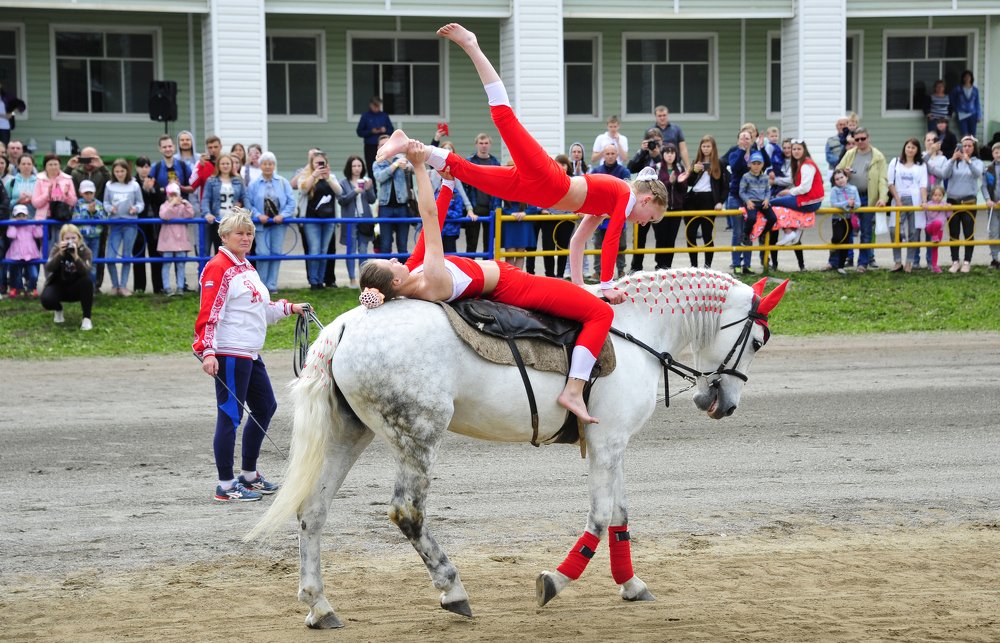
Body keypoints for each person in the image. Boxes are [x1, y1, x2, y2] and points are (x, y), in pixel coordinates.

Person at [377, 24, 666, 303]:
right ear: (646, 198)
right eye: (650, 216)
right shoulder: (625, 197)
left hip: (535, 193)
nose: (644, 223)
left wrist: (578, 284)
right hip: (550, 181)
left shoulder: (609, 204)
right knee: (504, 118)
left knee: (467, 172)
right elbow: (611, 241)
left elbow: (578, 241)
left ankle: (409, 144)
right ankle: (472, 45)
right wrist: (606, 285)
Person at [360, 138, 614, 425]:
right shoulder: (429, 280)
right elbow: (428, 217)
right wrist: (419, 167)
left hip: (507, 279)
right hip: (513, 285)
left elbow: (435, 221)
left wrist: (448, 186)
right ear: (394, 281)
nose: (395, 259)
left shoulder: (413, 272)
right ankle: (574, 389)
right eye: (390, 263)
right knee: (601, 313)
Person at [192, 209, 308, 502]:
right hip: (230, 351)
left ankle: (249, 474)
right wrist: (207, 350)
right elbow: (210, 312)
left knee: (265, 406)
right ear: (224, 236)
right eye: (239, 233)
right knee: (230, 415)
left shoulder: (246, 267)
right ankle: (226, 484)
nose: (246, 238)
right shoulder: (218, 267)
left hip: (249, 352)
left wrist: (289, 308)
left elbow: (262, 308)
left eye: (249, 233)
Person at [836, 127, 888, 273]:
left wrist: (883, 197)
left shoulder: (878, 156)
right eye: (857, 139)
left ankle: (863, 263)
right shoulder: (849, 154)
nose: (860, 142)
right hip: (849, 196)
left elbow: (883, 179)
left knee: (866, 231)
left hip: (867, 197)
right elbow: (837, 172)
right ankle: (844, 260)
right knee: (846, 229)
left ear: (868, 138)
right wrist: (844, 173)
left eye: (862, 139)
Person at [245, 151, 295, 294]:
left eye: (271, 164)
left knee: (276, 253)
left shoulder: (283, 182)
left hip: (278, 224)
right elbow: (249, 203)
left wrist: (283, 215)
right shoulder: (254, 184)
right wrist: (258, 214)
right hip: (261, 225)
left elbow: (291, 202)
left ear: (274, 165)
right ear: (260, 165)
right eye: (265, 164)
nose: (268, 166)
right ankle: (261, 286)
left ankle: (272, 285)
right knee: (262, 253)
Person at [726, 126, 770, 274]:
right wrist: (742, 151)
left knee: (749, 231)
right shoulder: (734, 154)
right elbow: (736, 167)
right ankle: (736, 263)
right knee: (737, 232)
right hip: (736, 198)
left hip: (752, 200)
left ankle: (748, 265)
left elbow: (767, 163)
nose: (745, 140)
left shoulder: (756, 154)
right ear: (738, 140)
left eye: (748, 138)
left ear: (752, 140)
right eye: (742, 138)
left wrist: (761, 148)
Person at [297, 151, 344, 290]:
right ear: (311, 164)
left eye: (322, 163)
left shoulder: (331, 177)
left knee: (324, 251)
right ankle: (314, 281)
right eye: (317, 163)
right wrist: (314, 175)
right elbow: (303, 190)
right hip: (311, 220)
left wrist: (328, 177)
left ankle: (321, 280)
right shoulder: (305, 176)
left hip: (329, 220)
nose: (320, 165)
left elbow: (339, 192)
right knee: (314, 250)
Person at [770, 140, 825, 253]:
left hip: (809, 200)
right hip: (809, 199)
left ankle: (789, 232)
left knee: (772, 203)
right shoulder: (802, 163)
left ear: (804, 150)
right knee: (781, 202)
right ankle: (796, 229)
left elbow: (805, 188)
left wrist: (789, 192)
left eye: (799, 149)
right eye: (794, 149)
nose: (796, 151)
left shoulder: (807, 165)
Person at [939, 135, 984, 273]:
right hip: (952, 201)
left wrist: (968, 161)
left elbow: (977, 174)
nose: (967, 148)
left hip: (969, 201)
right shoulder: (953, 161)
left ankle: (967, 261)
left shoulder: (977, 162)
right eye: (964, 146)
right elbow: (944, 174)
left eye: (970, 146)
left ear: (973, 148)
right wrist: (953, 159)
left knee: (968, 232)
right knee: (954, 233)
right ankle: (955, 261)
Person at [683, 135, 728, 269]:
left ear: (713, 148)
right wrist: (694, 172)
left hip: (709, 200)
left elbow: (725, 186)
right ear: (700, 148)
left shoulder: (719, 163)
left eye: (708, 146)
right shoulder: (696, 162)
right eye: (704, 146)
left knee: (707, 234)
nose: (706, 149)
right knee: (690, 234)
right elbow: (688, 183)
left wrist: (720, 201)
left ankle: (707, 267)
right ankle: (694, 266)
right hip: (693, 200)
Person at [588, 144, 631, 279]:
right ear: (603, 155)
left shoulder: (624, 172)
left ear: (617, 155)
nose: (610, 156)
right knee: (599, 245)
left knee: (620, 245)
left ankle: (621, 270)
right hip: (600, 216)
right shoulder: (596, 171)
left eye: (613, 153)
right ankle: (598, 271)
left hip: (618, 215)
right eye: (607, 154)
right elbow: (591, 192)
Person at [41, 223, 94, 331]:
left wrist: (76, 256)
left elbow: (86, 271)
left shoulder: (85, 251)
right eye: (67, 238)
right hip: (60, 285)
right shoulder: (57, 249)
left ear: (79, 238)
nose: (71, 241)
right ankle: (58, 309)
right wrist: (60, 254)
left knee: (87, 282)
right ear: (62, 239)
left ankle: (87, 318)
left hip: (77, 286)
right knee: (46, 299)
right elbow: (48, 267)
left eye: (73, 238)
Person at [103, 159, 144, 295]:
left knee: (127, 256)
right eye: (117, 171)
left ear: (127, 171)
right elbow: (105, 203)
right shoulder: (109, 185)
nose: (119, 174)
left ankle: (123, 286)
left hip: (130, 223)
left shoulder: (134, 185)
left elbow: (140, 203)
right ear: (113, 172)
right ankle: (115, 285)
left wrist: (135, 209)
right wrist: (110, 209)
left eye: (122, 171)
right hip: (115, 223)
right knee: (110, 258)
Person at [887, 138, 928, 273]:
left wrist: (923, 200)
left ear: (917, 150)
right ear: (905, 148)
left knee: (913, 231)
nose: (910, 150)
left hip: (914, 199)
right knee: (894, 229)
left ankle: (909, 262)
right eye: (908, 147)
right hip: (899, 198)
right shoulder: (895, 162)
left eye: (913, 148)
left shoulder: (921, 165)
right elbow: (890, 182)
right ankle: (897, 261)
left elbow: (923, 185)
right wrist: (897, 199)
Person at [372, 134, 415, 256]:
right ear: (378, 147)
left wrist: (406, 166)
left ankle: (404, 274)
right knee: (385, 245)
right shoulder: (377, 163)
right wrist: (395, 166)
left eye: (387, 144)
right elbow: (380, 177)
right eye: (381, 145)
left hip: (402, 205)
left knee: (402, 245)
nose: (384, 146)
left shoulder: (401, 158)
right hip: (385, 207)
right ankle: (385, 275)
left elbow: (414, 169)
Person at [338, 155, 377, 288]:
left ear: (362, 167)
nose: (356, 168)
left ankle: (363, 279)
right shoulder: (343, 182)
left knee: (363, 250)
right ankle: (352, 279)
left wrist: (369, 188)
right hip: (350, 221)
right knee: (351, 251)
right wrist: (355, 192)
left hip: (364, 220)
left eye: (359, 165)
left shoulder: (367, 180)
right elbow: (342, 200)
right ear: (349, 167)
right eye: (354, 166)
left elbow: (372, 200)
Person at [461, 133, 502, 255]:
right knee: (471, 243)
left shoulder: (495, 162)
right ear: (476, 144)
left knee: (489, 244)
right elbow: (463, 188)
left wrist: (497, 208)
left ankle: (488, 271)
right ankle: (469, 271)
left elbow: (500, 188)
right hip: (473, 208)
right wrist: (467, 208)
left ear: (490, 145)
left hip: (491, 208)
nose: (483, 146)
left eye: (486, 143)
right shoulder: (470, 162)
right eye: (481, 143)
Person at [650, 142, 686, 269]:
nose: (670, 156)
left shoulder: (680, 168)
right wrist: (669, 182)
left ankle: (668, 266)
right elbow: (655, 188)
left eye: (672, 153)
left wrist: (679, 182)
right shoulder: (657, 167)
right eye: (667, 153)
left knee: (671, 239)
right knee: (661, 238)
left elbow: (684, 189)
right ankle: (659, 265)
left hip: (676, 208)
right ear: (663, 154)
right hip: (661, 209)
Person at [200, 153, 245, 254]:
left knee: (233, 251)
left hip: (234, 221)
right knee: (220, 250)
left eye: (228, 163)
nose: (225, 166)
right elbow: (206, 199)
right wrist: (207, 213)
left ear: (231, 165)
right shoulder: (211, 180)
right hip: (218, 221)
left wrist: (247, 213)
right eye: (223, 163)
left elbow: (245, 197)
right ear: (218, 165)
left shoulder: (238, 180)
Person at [31, 153, 78, 247]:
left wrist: (66, 194)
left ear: (60, 165)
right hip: (44, 220)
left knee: (63, 247)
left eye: (55, 164)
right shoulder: (39, 179)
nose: (53, 167)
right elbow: (35, 203)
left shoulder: (67, 179)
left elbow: (73, 202)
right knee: (46, 250)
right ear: (45, 167)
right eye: (50, 164)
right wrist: (47, 195)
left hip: (62, 218)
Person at [740, 152, 777, 267]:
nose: (756, 166)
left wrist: (767, 199)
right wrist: (747, 201)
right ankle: (745, 235)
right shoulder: (746, 177)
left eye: (758, 163)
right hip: (751, 202)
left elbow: (768, 191)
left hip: (762, 202)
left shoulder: (765, 177)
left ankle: (763, 234)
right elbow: (741, 191)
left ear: (762, 165)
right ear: (749, 164)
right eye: (754, 163)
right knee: (751, 218)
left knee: (772, 218)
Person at [133, 157, 164, 293]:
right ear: (136, 168)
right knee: (138, 254)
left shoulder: (154, 181)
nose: (144, 169)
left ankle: (158, 287)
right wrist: (144, 190)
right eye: (141, 166)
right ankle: (139, 287)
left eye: (146, 166)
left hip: (154, 224)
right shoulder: (133, 182)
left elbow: (160, 200)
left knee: (156, 255)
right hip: (139, 223)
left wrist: (151, 190)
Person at [158, 182, 195, 295]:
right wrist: (171, 204)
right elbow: (164, 215)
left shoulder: (182, 207)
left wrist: (185, 203)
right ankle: (167, 287)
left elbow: (190, 214)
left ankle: (180, 287)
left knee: (181, 264)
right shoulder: (164, 206)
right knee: (166, 264)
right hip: (168, 241)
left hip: (180, 241)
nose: (173, 198)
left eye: (175, 195)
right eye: (171, 195)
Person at [72, 179, 107, 287]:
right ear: (80, 193)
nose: (88, 195)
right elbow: (75, 219)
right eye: (86, 193)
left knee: (93, 261)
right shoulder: (78, 204)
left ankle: (91, 287)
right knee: (81, 261)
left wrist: (95, 212)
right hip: (82, 238)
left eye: (90, 193)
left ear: (94, 193)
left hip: (95, 237)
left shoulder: (99, 204)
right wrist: (87, 212)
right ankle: (80, 286)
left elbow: (104, 219)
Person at [825, 169, 860, 274]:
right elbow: (834, 203)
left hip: (849, 218)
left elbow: (858, 203)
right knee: (837, 238)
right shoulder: (834, 190)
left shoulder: (853, 189)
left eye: (842, 177)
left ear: (846, 177)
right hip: (838, 219)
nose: (840, 180)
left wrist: (853, 205)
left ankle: (840, 266)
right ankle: (833, 253)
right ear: (834, 181)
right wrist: (847, 203)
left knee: (846, 241)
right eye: (837, 179)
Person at [6, 204, 42, 297]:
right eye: (18, 216)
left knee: (34, 274)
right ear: (14, 216)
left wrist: (37, 225)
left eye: (23, 215)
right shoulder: (12, 225)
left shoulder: (31, 224)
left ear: (27, 215)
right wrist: (13, 225)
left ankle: (31, 288)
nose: (21, 218)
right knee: (17, 274)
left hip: (31, 253)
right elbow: (11, 235)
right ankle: (19, 289)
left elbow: (38, 235)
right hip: (17, 253)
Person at [356, 96, 394, 179]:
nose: (376, 107)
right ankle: (373, 189)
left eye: (378, 105)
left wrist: (385, 130)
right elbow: (359, 131)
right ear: (371, 105)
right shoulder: (365, 116)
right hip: (370, 146)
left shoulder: (384, 116)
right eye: (375, 105)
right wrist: (371, 131)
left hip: (384, 146)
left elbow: (391, 130)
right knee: (370, 167)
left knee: (386, 164)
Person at [982, 142, 1000, 269]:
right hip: (993, 206)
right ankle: (995, 259)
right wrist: (988, 199)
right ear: (992, 154)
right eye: (996, 152)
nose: (999, 154)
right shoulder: (988, 169)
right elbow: (983, 186)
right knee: (993, 232)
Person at [951, 70, 981, 138]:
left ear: (971, 78)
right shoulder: (958, 89)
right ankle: (965, 148)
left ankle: (973, 148)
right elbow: (952, 99)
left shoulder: (975, 90)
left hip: (973, 114)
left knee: (973, 135)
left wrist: (979, 115)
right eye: (965, 77)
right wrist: (956, 109)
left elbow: (977, 103)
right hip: (962, 115)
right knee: (964, 135)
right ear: (963, 78)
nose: (967, 78)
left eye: (969, 76)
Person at [925, 185, 948, 273]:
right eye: (935, 195)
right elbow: (931, 216)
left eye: (939, 195)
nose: (937, 197)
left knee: (935, 248)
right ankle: (934, 236)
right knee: (938, 222)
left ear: (943, 196)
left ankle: (935, 265)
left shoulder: (943, 204)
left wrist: (948, 207)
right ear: (931, 196)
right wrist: (938, 209)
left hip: (939, 230)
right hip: (930, 228)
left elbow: (948, 215)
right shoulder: (929, 204)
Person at [0, 80, 27, 146]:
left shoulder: (7, 97)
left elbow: (21, 106)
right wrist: (2, 115)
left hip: (4, 127)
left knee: (3, 147)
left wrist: (12, 113)